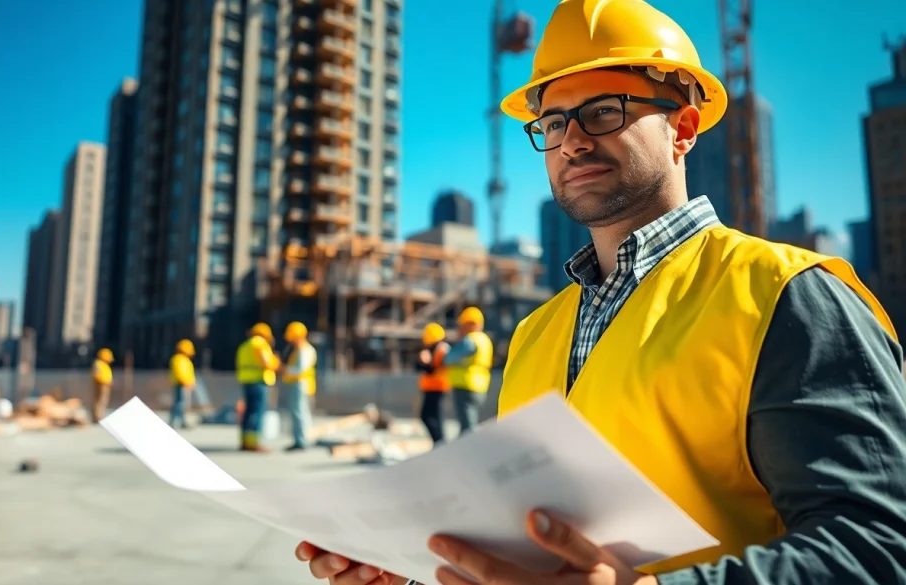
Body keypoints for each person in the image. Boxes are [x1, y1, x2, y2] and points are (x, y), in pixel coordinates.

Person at [293, 1, 906, 584]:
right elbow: (531, 549)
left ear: (683, 128)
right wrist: (421, 564)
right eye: (554, 123)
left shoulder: (787, 295)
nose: (572, 142)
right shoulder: (536, 334)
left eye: (604, 112)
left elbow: (878, 549)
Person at [441, 307, 493, 434]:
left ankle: (470, 445)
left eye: (462, 325)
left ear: (470, 324)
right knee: (469, 422)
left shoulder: (470, 340)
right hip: (480, 386)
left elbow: (448, 358)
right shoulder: (485, 340)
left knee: (467, 427)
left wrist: (444, 352)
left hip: (465, 385)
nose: (459, 329)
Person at [234, 322, 280, 453]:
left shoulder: (245, 345)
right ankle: (254, 443)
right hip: (258, 381)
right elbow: (267, 363)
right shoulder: (260, 344)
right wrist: (276, 362)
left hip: (246, 381)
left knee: (248, 412)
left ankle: (245, 441)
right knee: (257, 412)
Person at [279, 321, 317, 452]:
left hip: (301, 385)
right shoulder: (299, 349)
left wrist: (284, 370)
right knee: (298, 412)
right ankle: (300, 439)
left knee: (300, 412)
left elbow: (300, 369)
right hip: (297, 384)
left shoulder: (305, 350)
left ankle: (302, 440)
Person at [415, 322, 451, 445]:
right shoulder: (435, 349)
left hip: (437, 387)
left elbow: (432, 369)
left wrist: (425, 361)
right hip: (432, 387)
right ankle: (439, 443)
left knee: (431, 417)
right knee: (431, 416)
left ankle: (440, 443)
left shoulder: (441, 349)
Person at [168, 339, 197, 429]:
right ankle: (177, 421)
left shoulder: (184, 360)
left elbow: (188, 373)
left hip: (185, 385)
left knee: (181, 404)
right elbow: (180, 372)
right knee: (180, 404)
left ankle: (178, 421)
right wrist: (186, 382)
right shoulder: (179, 359)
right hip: (181, 385)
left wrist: (192, 382)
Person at [90, 348, 114, 423]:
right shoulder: (98, 364)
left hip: (105, 385)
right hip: (101, 385)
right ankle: (97, 417)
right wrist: (104, 382)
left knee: (103, 401)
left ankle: (99, 416)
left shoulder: (103, 365)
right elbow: (96, 375)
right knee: (100, 401)